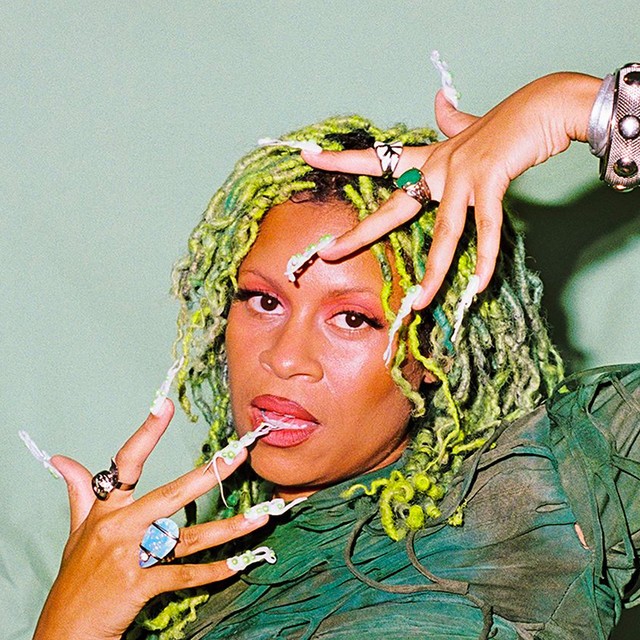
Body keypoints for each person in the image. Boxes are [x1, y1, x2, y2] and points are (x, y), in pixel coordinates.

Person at [33, 68, 640, 640]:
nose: (285, 359)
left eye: (352, 319)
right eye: (264, 301)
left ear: (439, 352)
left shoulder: (542, 490)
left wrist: (581, 107)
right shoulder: (197, 567)